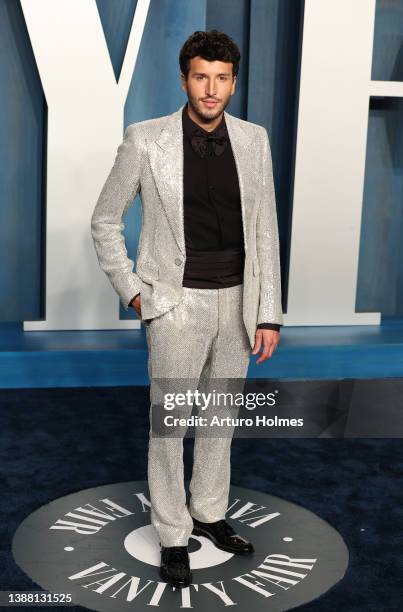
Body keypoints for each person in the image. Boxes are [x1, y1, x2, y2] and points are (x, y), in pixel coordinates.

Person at [91, 29, 283, 589]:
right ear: (184, 79)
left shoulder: (254, 140)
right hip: (175, 304)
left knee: (220, 418)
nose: (211, 89)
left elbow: (265, 231)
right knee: (171, 425)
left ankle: (210, 512)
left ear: (233, 82)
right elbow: (105, 219)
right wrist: (133, 291)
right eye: (202, 76)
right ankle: (174, 533)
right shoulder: (145, 140)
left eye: (222, 78)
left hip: (238, 304)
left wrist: (267, 312)